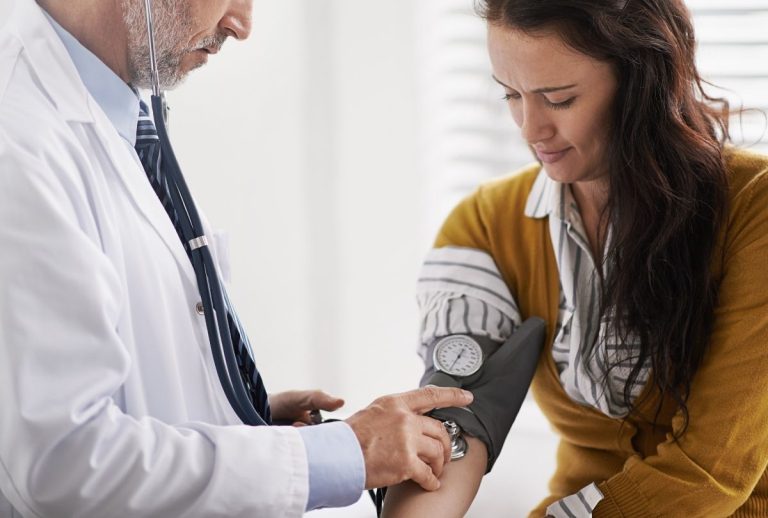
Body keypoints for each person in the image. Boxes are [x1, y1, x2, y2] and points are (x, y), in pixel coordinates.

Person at [0, 0, 474, 516]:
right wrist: (346, 454)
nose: (241, 25)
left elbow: (105, 378)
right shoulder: (18, 142)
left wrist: (237, 413)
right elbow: (66, 466)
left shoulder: (114, 110)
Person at [382, 0, 768, 516]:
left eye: (559, 100)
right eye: (511, 95)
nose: (529, 129)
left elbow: (708, 473)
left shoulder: (754, 208)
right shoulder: (486, 223)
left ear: (643, 84)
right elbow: (457, 421)